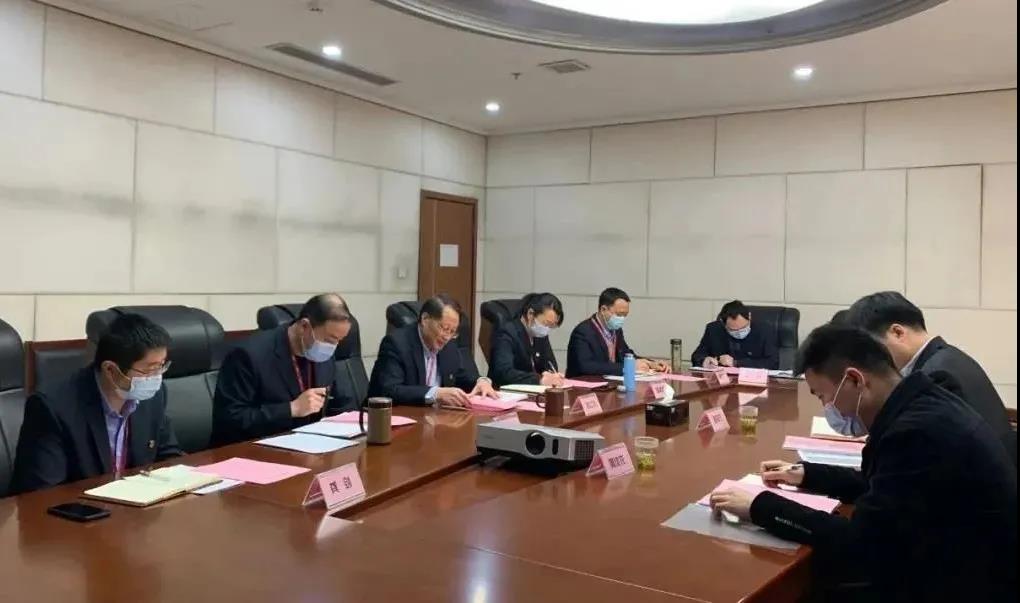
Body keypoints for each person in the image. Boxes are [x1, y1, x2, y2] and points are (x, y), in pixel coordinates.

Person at [709, 325, 1017, 602]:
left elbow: (861, 542)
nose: (827, 407)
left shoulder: (917, 432)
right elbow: (885, 484)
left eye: (823, 396)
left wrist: (760, 506)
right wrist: (806, 475)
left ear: (855, 380)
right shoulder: (922, 400)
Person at [12, 313, 183, 494]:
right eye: (149, 369)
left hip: (136, 506)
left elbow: (168, 457)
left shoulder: (154, 396)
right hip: (78, 508)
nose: (156, 377)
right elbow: (43, 493)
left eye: (161, 366)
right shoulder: (52, 407)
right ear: (110, 369)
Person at [845, 291, 1014, 464]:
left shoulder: (936, 377)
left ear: (897, 332)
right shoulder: (948, 358)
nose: (872, 361)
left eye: (873, 350)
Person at [211, 293, 356, 446]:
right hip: (253, 449)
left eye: (339, 340)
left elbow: (340, 403)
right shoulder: (248, 355)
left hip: (308, 446)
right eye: (329, 340)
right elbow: (230, 420)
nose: (333, 346)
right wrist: (291, 409)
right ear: (304, 326)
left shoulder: (323, 354)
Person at [368, 294, 497, 407]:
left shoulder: (449, 346)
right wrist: (435, 393)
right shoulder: (396, 343)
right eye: (444, 328)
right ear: (425, 319)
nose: (447, 337)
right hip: (394, 418)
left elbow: (462, 377)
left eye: (452, 332)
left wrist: (482, 381)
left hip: (434, 418)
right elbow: (389, 390)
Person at [565, 287, 667, 377]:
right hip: (584, 387)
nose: (621, 319)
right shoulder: (583, 331)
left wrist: (650, 363)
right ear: (603, 309)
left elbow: (625, 353)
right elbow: (586, 366)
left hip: (609, 385)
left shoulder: (616, 330)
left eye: (625, 315)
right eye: (619, 314)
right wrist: (628, 367)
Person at [488, 293, 565, 387]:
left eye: (551, 326)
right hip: (505, 391)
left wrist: (553, 376)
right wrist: (539, 380)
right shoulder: (506, 332)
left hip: (534, 391)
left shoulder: (540, 334)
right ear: (530, 314)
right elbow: (503, 372)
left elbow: (550, 365)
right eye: (546, 324)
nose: (547, 329)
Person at [691, 300, 778, 369]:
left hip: (753, 382)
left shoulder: (765, 330)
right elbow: (696, 356)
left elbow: (773, 363)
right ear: (723, 324)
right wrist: (704, 360)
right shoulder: (713, 329)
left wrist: (736, 363)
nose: (739, 332)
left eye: (743, 327)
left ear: (749, 317)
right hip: (721, 381)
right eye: (733, 330)